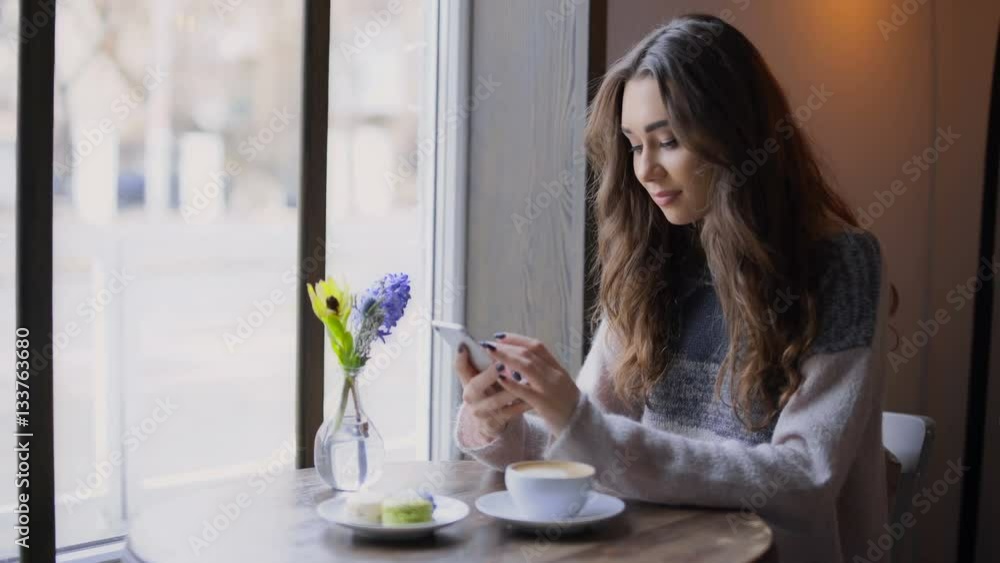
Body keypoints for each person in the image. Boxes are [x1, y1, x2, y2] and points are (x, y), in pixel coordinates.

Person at [453, 13, 894, 563]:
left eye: (667, 141)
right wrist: (500, 424)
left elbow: (805, 478)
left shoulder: (839, 265)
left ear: (735, 135)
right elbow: (591, 445)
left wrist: (577, 421)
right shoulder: (656, 256)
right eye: (634, 144)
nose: (645, 170)